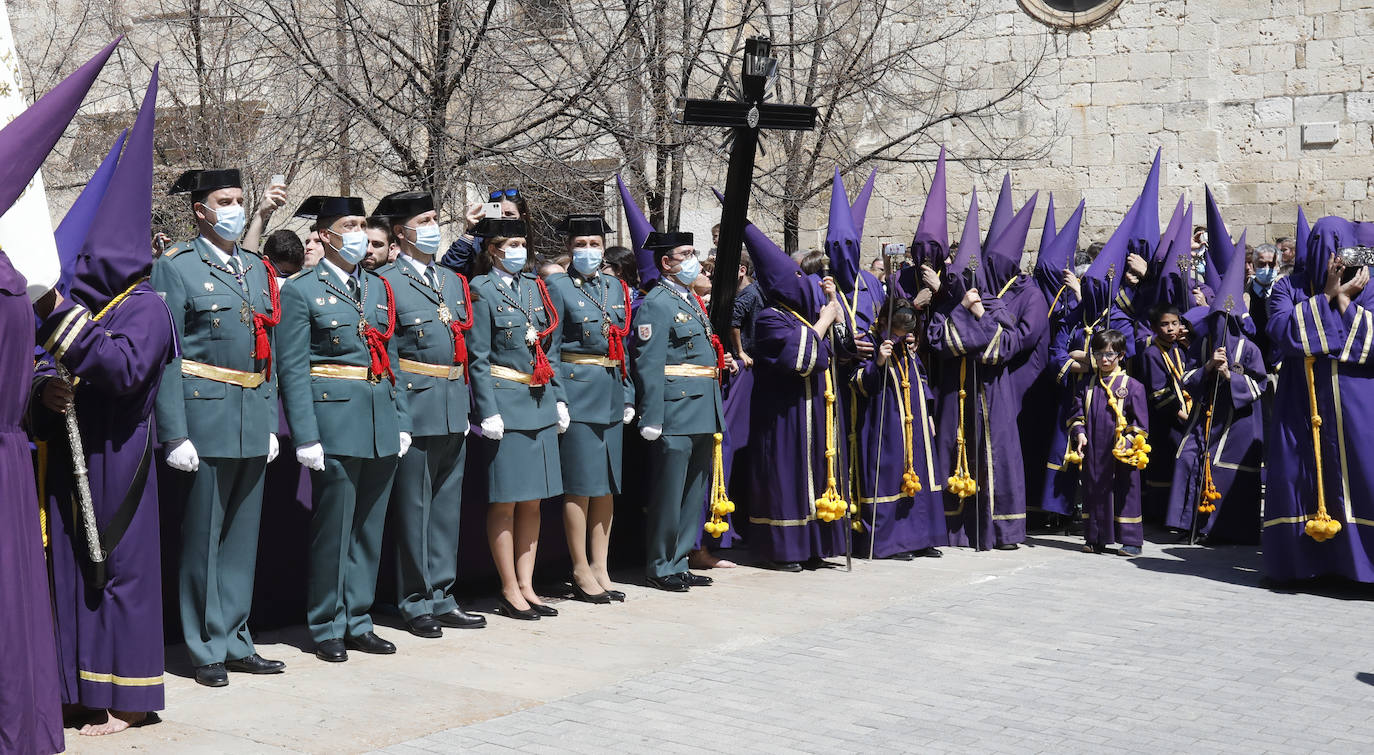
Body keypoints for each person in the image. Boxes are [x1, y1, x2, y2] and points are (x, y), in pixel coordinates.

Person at [31, 76, 174, 735]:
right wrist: (44, 384)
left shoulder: (145, 307)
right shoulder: (92, 305)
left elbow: (120, 368)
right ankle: (82, 688)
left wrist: (62, 318)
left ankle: (131, 694)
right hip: (71, 451)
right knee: (74, 569)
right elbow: (48, 356)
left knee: (120, 568)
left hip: (120, 455)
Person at [152, 168, 286, 687]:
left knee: (241, 538)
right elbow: (167, 354)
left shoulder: (255, 267)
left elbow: (266, 348)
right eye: (223, 200)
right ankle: (203, 645)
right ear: (200, 211)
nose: (232, 208)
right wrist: (174, 431)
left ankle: (235, 637)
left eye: (237, 200)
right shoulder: (178, 266)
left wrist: (270, 417)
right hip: (204, 414)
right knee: (203, 537)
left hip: (252, 412)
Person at [277, 195, 410, 662]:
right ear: (326, 236)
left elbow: (391, 359)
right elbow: (293, 368)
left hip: (379, 418)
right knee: (334, 528)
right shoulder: (300, 289)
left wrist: (403, 420)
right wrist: (307, 433)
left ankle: (359, 618)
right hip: (333, 418)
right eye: (349, 226)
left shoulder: (376, 287)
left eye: (361, 225)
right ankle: (327, 623)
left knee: (369, 528)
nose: (357, 234)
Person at [373, 190, 486, 637]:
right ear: (402, 232)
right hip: (416, 403)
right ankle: (414, 599)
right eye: (426, 219)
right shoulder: (386, 281)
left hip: (452, 402)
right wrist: (401, 413)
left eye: (437, 217)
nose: (435, 225)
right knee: (414, 508)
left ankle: (443, 594)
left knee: (445, 508)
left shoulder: (453, 281)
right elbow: (390, 354)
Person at [1262, 216, 1374, 582]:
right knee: (1298, 475)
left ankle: (1359, 567)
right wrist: (1326, 295)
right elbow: (1280, 332)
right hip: (1300, 402)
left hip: (1356, 404)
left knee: (1361, 474)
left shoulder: (1368, 286)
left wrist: (1345, 302)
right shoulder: (1287, 287)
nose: (1332, 259)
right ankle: (1300, 565)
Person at [467, 217, 564, 618]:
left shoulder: (534, 287)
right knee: (505, 501)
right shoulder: (480, 289)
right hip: (506, 401)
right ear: (493, 250)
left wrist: (559, 400)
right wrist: (487, 410)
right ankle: (508, 587)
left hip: (539, 399)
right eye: (511, 244)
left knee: (533, 502)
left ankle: (528, 583)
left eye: (524, 242)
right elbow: (479, 356)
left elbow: (550, 348)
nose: (519, 250)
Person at [743, 223, 847, 570]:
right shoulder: (771, 318)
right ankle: (784, 548)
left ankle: (816, 543)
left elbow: (842, 350)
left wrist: (834, 307)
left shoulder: (805, 314)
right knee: (787, 475)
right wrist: (822, 322)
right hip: (784, 414)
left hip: (816, 410)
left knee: (818, 471)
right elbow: (800, 359)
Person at [632, 229, 731, 590]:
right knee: (670, 490)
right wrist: (653, 414)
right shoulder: (658, 302)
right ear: (666, 262)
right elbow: (649, 362)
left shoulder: (689, 298)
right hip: (675, 408)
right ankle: (660, 565)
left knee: (693, 490)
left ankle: (680, 558)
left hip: (702, 405)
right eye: (686, 254)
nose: (694, 260)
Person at [545, 214, 634, 603]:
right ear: (568, 249)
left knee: (606, 487)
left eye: (595, 245)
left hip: (612, 391)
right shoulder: (557, 285)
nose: (588, 252)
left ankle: (601, 566)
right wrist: (559, 397)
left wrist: (628, 393)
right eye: (580, 245)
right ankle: (580, 568)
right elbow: (549, 349)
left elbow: (622, 345)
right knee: (580, 487)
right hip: (578, 391)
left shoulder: (615, 286)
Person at [1164, 238, 1265, 544]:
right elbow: (1187, 377)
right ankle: (1185, 523)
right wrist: (1209, 368)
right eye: (1216, 318)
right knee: (1187, 456)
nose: (1221, 324)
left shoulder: (1249, 349)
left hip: (1238, 421)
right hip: (1206, 414)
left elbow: (1259, 384)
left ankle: (1221, 528)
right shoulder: (1203, 344)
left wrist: (1229, 376)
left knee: (1221, 464)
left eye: (1227, 319)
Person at [851, 298, 946, 559]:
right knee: (890, 476)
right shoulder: (867, 342)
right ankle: (891, 542)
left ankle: (921, 538)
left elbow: (920, 376)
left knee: (921, 475)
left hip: (914, 422)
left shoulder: (906, 344)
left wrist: (927, 412)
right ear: (883, 322)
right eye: (896, 333)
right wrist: (878, 362)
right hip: (884, 423)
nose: (900, 338)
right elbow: (856, 382)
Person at [1069, 329, 1148, 556]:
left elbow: (1140, 423)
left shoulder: (1133, 386)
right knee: (1094, 492)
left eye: (1110, 355)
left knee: (1126, 491)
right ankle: (1095, 537)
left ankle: (1132, 540)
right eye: (1099, 354)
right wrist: (1080, 434)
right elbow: (1076, 416)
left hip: (1121, 451)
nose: (1104, 359)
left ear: (1121, 356)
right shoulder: (1087, 386)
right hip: (1095, 449)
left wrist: (1129, 440)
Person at [1136, 304, 1193, 522]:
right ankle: (1160, 515)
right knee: (1163, 464)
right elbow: (1160, 394)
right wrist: (1185, 417)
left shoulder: (1181, 349)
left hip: (1184, 415)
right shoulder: (1152, 353)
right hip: (1164, 420)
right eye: (1164, 324)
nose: (1170, 329)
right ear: (1153, 327)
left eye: (1174, 323)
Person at [440, 187, 529, 278]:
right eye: (498, 213)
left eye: (509, 214)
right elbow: (447, 269)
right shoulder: (478, 242)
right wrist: (470, 232)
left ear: (522, 217)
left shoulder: (524, 245)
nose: (502, 218)